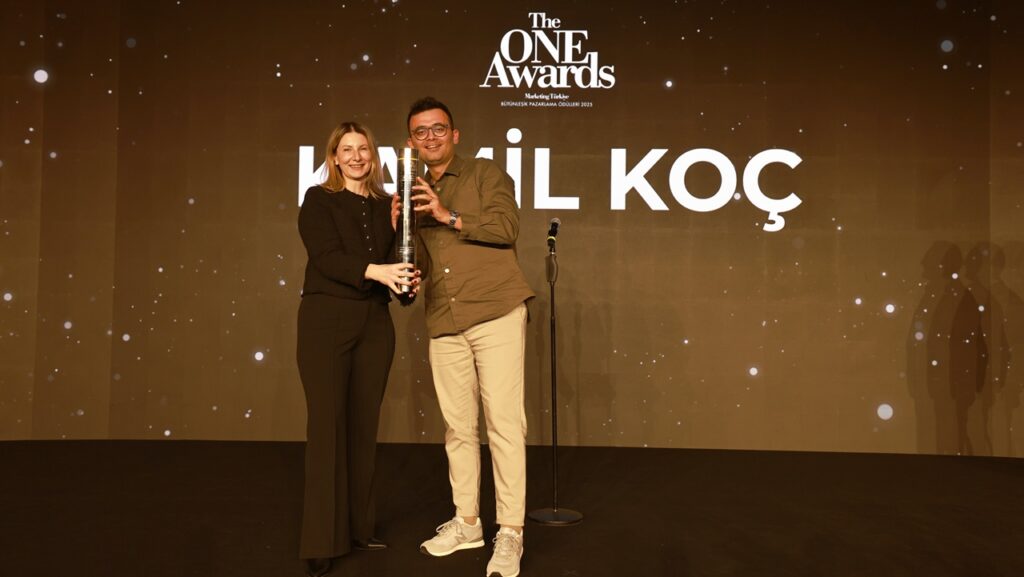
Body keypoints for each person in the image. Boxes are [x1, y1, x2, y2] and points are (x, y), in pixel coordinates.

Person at [398, 97, 534, 577]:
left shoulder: (484, 173)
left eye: (438, 129)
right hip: (444, 319)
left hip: (495, 310)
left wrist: (447, 214)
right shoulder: (411, 192)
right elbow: (422, 266)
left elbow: (507, 227)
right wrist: (401, 232)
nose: (430, 137)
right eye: (421, 132)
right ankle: (468, 522)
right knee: (458, 429)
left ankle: (510, 532)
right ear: (411, 142)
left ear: (454, 135)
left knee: (504, 425)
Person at [296, 121, 418, 577]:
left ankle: (358, 528)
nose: (355, 156)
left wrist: (405, 281)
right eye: (346, 149)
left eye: (362, 148)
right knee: (328, 428)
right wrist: (378, 271)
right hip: (326, 321)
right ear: (333, 157)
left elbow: (396, 266)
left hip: (374, 322)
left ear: (373, 155)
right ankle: (320, 541)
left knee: (363, 428)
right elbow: (327, 258)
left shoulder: (389, 206)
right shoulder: (318, 200)